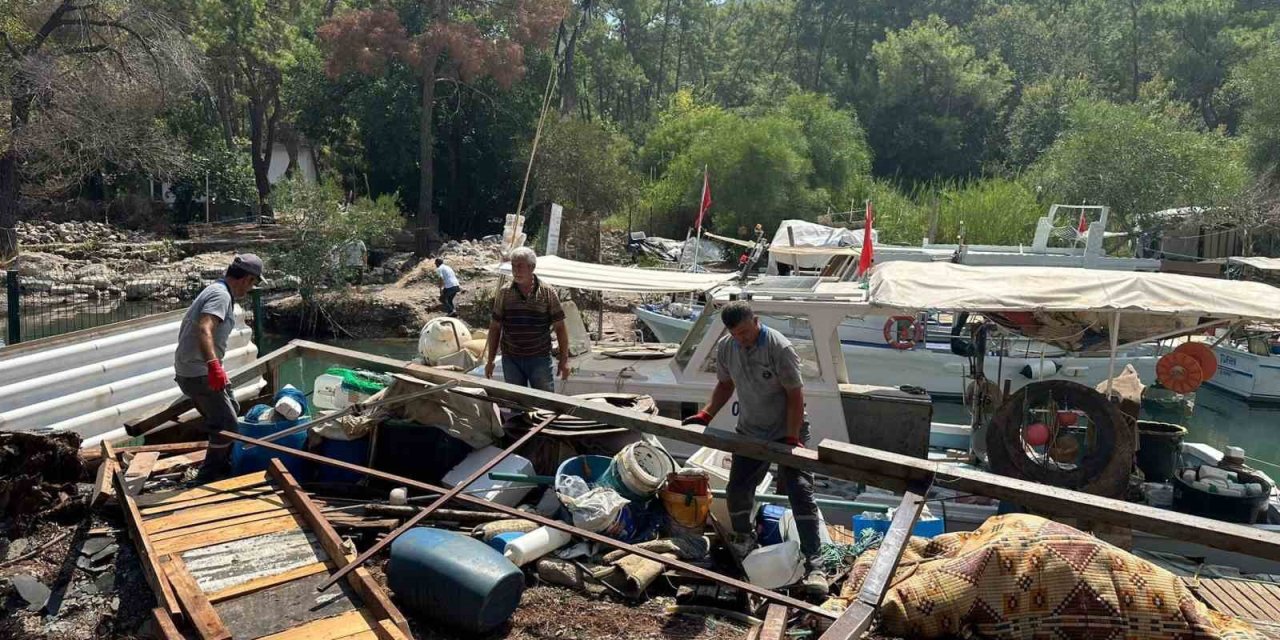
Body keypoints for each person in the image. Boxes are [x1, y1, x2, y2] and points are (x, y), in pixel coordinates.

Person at [682, 301, 828, 596]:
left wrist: (790, 437)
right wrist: (707, 414)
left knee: (799, 491)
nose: (743, 339)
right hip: (751, 431)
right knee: (738, 489)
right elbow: (725, 384)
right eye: (737, 334)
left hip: (789, 430)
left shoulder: (779, 347)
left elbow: (795, 394)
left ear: (756, 321)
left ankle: (815, 561)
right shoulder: (727, 347)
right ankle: (745, 539)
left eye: (747, 332)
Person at [172, 254, 264, 481]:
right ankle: (208, 476)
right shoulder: (221, 296)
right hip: (199, 374)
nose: (250, 289)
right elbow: (204, 328)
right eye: (253, 283)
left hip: (194, 370)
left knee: (231, 408)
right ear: (247, 279)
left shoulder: (218, 290)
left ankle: (224, 461)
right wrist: (213, 367)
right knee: (228, 425)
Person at [483, 247, 570, 391]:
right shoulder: (505, 293)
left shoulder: (547, 292)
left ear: (532, 267)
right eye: (513, 266)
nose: (516, 270)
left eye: (520, 266)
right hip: (511, 359)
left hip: (539, 358)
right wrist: (490, 360)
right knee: (517, 405)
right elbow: (495, 327)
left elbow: (560, 327)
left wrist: (564, 360)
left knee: (545, 404)